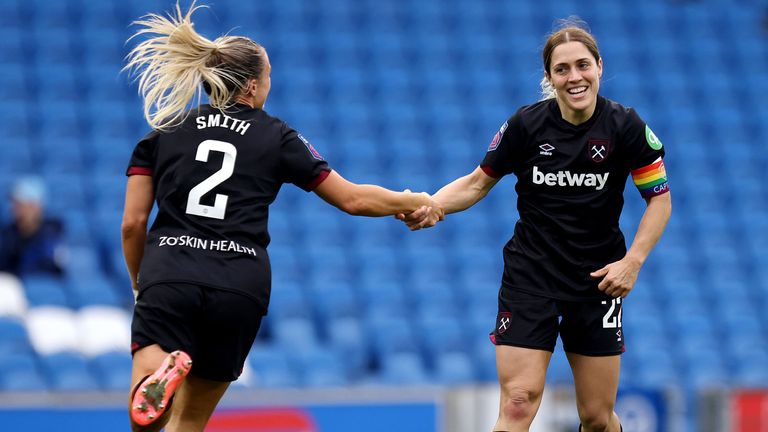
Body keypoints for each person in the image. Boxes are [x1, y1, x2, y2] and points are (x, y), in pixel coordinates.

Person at [120, 3, 443, 431]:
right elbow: (351, 198)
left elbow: (132, 224)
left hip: (171, 271)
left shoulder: (165, 129)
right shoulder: (277, 135)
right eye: (269, 75)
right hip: (239, 284)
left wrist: (141, 279)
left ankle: (162, 370)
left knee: (145, 419)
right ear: (252, 87)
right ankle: (170, 380)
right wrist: (409, 199)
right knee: (191, 421)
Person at [400, 19, 672, 432]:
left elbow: (660, 200)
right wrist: (433, 205)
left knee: (597, 418)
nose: (574, 77)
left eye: (583, 65)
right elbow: (477, 182)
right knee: (518, 402)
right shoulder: (526, 126)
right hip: (531, 277)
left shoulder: (625, 126)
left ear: (599, 66)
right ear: (549, 78)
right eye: (562, 69)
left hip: (596, 281)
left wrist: (632, 261)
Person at [0, 176, 64, 277]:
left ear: (36, 206)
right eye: (14, 204)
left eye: (21, 204)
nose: (15, 209)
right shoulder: (8, 233)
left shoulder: (53, 234)